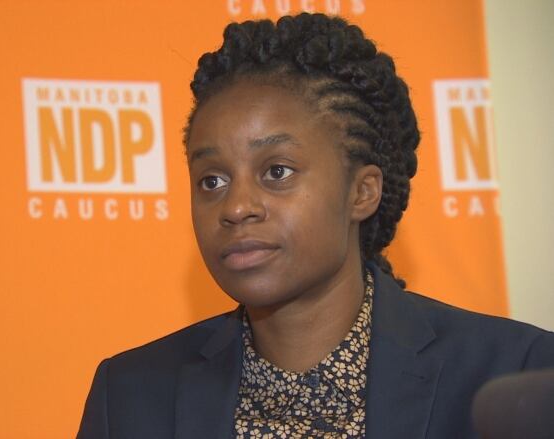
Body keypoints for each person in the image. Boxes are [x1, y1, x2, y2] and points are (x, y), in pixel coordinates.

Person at [76, 12, 554, 439]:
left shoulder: (514, 374)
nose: (236, 206)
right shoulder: (130, 397)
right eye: (212, 179)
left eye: (277, 171)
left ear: (362, 192)